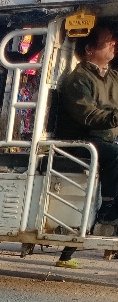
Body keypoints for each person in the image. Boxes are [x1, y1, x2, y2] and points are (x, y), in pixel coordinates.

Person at [57, 23, 118, 224]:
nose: (113, 44)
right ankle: (108, 208)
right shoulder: (78, 79)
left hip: (106, 140)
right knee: (115, 154)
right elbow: (88, 116)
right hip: (81, 141)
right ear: (90, 49)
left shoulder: (113, 77)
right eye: (107, 41)